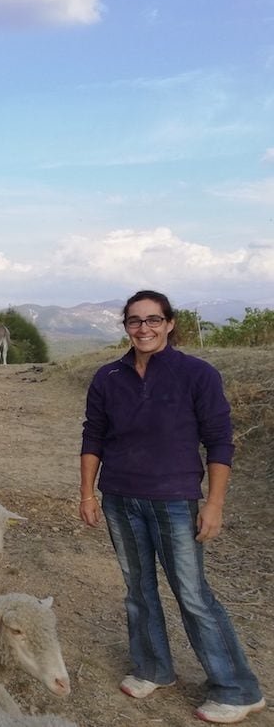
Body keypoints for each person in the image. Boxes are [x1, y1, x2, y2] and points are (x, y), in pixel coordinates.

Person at [79, 289, 265, 724]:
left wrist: (214, 504)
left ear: (170, 323)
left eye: (153, 320)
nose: (144, 328)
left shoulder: (197, 374)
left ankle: (238, 689)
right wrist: (88, 493)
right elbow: (93, 436)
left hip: (176, 501)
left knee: (193, 595)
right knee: (138, 590)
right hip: (119, 498)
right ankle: (152, 668)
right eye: (135, 321)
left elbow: (220, 442)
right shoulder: (108, 377)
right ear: (125, 326)